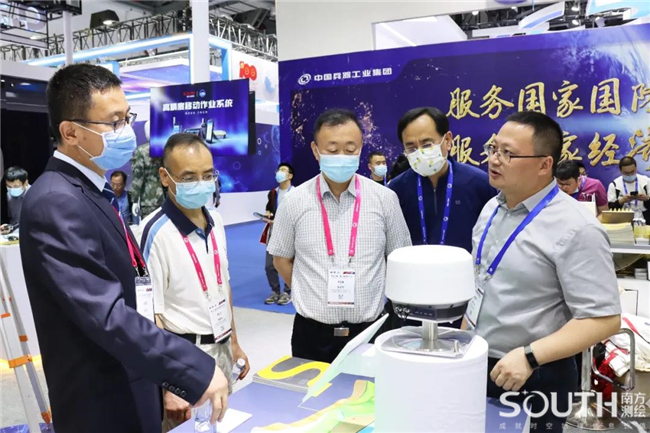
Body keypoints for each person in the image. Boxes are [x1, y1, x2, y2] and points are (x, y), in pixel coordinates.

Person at [20, 63, 229, 433]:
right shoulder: (56, 200)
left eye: (127, 118)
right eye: (114, 122)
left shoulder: (94, 191)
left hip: (131, 379)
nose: (126, 131)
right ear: (70, 132)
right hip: (101, 401)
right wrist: (191, 368)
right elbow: (105, 313)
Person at [466, 111, 621, 432]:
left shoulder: (577, 227)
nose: (494, 159)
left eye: (508, 153)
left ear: (544, 164)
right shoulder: (492, 207)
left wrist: (530, 356)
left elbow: (603, 318)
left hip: (535, 372)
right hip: (478, 361)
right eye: (493, 149)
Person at [268, 108, 411, 363]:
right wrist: (309, 292)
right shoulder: (294, 201)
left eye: (350, 149)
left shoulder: (385, 199)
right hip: (311, 334)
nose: (342, 157)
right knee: (311, 390)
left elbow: (399, 260)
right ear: (316, 151)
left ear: (360, 149)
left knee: (370, 389)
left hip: (370, 331)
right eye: (332, 150)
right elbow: (281, 259)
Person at [140, 133, 249, 432]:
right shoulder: (154, 232)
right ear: (165, 177)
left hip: (222, 347)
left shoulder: (216, 221)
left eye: (207, 175)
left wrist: (234, 344)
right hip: (185, 357)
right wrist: (169, 384)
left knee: (223, 424)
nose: (201, 183)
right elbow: (150, 316)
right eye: (188, 177)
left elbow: (223, 286)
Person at [389, 107, 496, 252]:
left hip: (465, 266)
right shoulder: (396, 190)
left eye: (427, 144)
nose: (420, 152)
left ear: (447, 140)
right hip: (413, 265)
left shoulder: (480, 183)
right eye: (412, 148)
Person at [263, 162, 294, 305]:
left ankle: (287, 292)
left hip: (290, 234)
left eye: (283, 170)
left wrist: (282, 221)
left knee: (289, 263)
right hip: (273, 233)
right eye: (278, 170)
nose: (279, 172)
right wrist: (267, 216)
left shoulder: (296, 193)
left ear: (290, 175)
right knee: (269, 265)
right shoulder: (273, 193)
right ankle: (275, 291)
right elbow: (269, 209)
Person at [131, 120, 165, 220]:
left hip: (149, 199)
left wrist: (134, 200)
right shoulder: (168, 149)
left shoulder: (141, 151)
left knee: (150, 225)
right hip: (168, 198)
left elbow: (138, 178)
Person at [608, 156, 650, 221]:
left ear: (636, 168)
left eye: (632, 172)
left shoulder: (646, 181)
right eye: (626, 173)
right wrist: (621, 201)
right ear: (620, 171)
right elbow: (610, 208)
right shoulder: (614, 185)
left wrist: (646, 199)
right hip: (622, 219)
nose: (630, 175)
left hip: (645, 218)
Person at [1, 166, 30, 234]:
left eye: (16, 186)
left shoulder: (33, 195)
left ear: (25, 183)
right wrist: (9, 227)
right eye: (9, 186)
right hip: (14, 233)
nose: (12, 189)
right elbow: (13, 219)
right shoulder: (9, 194)